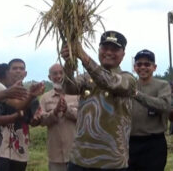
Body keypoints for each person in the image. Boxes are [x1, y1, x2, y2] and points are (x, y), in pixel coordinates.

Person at [61, 31, 136, 171]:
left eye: (114, 49)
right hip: (80, 159)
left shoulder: (128, 79)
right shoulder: (86, 77)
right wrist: (69, 61)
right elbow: (69, 87)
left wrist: (83, 55)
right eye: (105, 48)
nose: (108, 52)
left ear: (123, 54)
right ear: (99, 49)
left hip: (112, 162)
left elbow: (108, 82)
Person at [0, 59, 45, 171]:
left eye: (21, 68)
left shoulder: (31, 96)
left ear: (25, 73)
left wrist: (37, 119)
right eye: (14, 68)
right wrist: (17, 115)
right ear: (8, 72)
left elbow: (33, 121)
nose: (18, 71)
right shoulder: (0, 93)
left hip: (20, 148)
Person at [127, 49, 171, 171]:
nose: (143, 67)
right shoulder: (129, 85)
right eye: (139, 64)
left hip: (154, 143)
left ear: (154, 67)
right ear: (134, 67)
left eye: (147, 64)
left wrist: (137, 95)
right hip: (131, 143)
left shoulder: (162, 85)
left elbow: (164, 105)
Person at [39, 63, 78, 171]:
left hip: (76, 153)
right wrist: (54, 112)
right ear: (49, 77)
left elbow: (84, 118)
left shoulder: (76, 95)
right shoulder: (45, 98)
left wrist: (67, 110)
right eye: (55, 73)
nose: (59, 76)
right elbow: (41, 120)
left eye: (61, 73)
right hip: (55, 154)